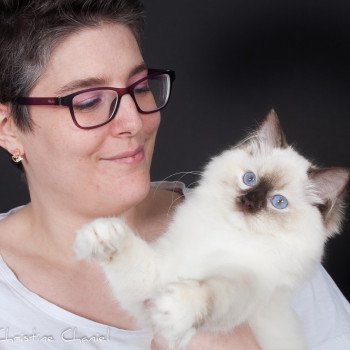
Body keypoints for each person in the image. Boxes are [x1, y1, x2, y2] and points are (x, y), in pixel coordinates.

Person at [0, 1, 348, 349]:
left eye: (139, 88)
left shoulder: (273, 235)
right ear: (8, 128)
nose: (135, 122)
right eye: (89, 101)